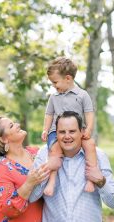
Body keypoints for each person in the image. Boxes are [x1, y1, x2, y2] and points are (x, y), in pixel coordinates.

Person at [41, 57, 97, 196]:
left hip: (77, 131)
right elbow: (49, 114)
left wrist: (88, 129)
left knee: (90, 146)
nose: (54, 86)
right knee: (55, 152)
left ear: (68, 78)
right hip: (56, 131)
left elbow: (89, 113)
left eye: (55, 82)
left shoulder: (82, 95)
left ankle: (91, 178)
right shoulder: (54, 97)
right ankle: (52, 181)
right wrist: (45, 129)